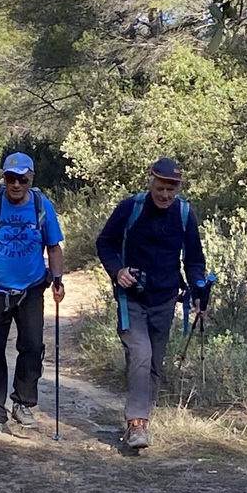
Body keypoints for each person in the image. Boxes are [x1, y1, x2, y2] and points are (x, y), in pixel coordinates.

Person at [95, 157, 208, 449]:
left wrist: (199, 289)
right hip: (130, 298)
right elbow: (105, 242)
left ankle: (143, 416)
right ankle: (137, 423)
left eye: (171, 189)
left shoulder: (184, 213)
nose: (165, 195)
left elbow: (194, 259)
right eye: (161, 187)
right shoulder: (130, 208)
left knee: (155, 363)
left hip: (166, 298)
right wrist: (117, 271)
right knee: (141, 353)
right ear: (151, 182)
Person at [0, 152, 66, 437]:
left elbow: (54, 248)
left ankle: (22, 402)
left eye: (22, 179)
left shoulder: (43, 206)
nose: (16, 184)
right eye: (10, 178)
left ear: (31, 179)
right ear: (3, 178)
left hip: (31, 288)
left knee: (31, 346)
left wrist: (58, 280)